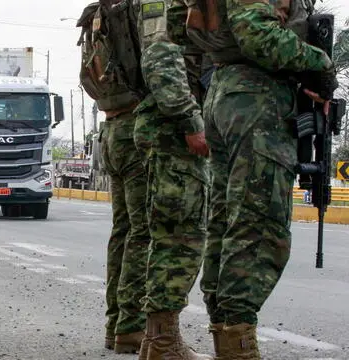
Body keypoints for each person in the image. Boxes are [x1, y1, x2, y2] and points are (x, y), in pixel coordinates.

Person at [183, 0, 339, 357]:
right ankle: (237, 343)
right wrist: (320, 64)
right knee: (259, 224)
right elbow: (257, 34)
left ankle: (228, 336)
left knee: (228, 222)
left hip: (230, 93)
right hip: (256, 102)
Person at [128, 0, 213, 358]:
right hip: (173, 132)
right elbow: (159, 57)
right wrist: (190, 121)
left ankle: (158, 340)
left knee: (171, 235)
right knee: (181, 238)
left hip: (170, 128)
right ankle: (163, 342)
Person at [75, 2, 152, 353]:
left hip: (112, 128)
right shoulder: (134, 11)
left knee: (123, 231)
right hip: (137, 128)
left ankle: (116, 325)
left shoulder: (98, 15)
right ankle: (131, 326)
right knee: (143, 231)